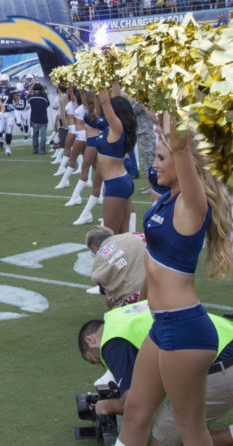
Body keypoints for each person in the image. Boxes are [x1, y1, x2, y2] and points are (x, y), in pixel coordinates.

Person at [115, 113, 233, 446]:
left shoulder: (191, 206)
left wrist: (177, 123)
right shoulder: (166, 199)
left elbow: (181, 150)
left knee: (190, 428)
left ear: (184, 164)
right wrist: (162, 120)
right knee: (136, 411)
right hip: (162, 324)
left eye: (160, 158)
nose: (154, 165)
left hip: (185, 328)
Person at [78, 302, 233, 446]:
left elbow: (134, 404)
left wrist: (108, 405)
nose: (101, 365)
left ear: (91, 340)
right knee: (187, 423)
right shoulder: (117, 316)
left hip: (219, 366)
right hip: (224, 337)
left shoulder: (112, 342)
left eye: (95, 360)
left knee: (165, 441)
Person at [84, 83, 137, 234]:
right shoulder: (113, 128)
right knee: (122, 233)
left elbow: (106, 102)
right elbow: (111, 100)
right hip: (119, 181)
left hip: (116, 184)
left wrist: (99, 79)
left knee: (110, 233)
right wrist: (114, 81)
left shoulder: (117, 128)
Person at [85, 225, 146, 309]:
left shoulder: (98, 267)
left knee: (110, 301)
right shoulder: (134, 235)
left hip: (137, 301)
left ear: (95, 248)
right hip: (159, 283)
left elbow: (109, 294)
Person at [28, 83, 50, 155]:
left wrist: (31, 88)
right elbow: (47, 104)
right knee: (43, 135)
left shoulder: (31, 97)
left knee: (35, 135)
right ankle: (42, 150)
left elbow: (28, 95)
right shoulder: (44, 97)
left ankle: (35, 149)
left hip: (34, 118)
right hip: (43, 118)